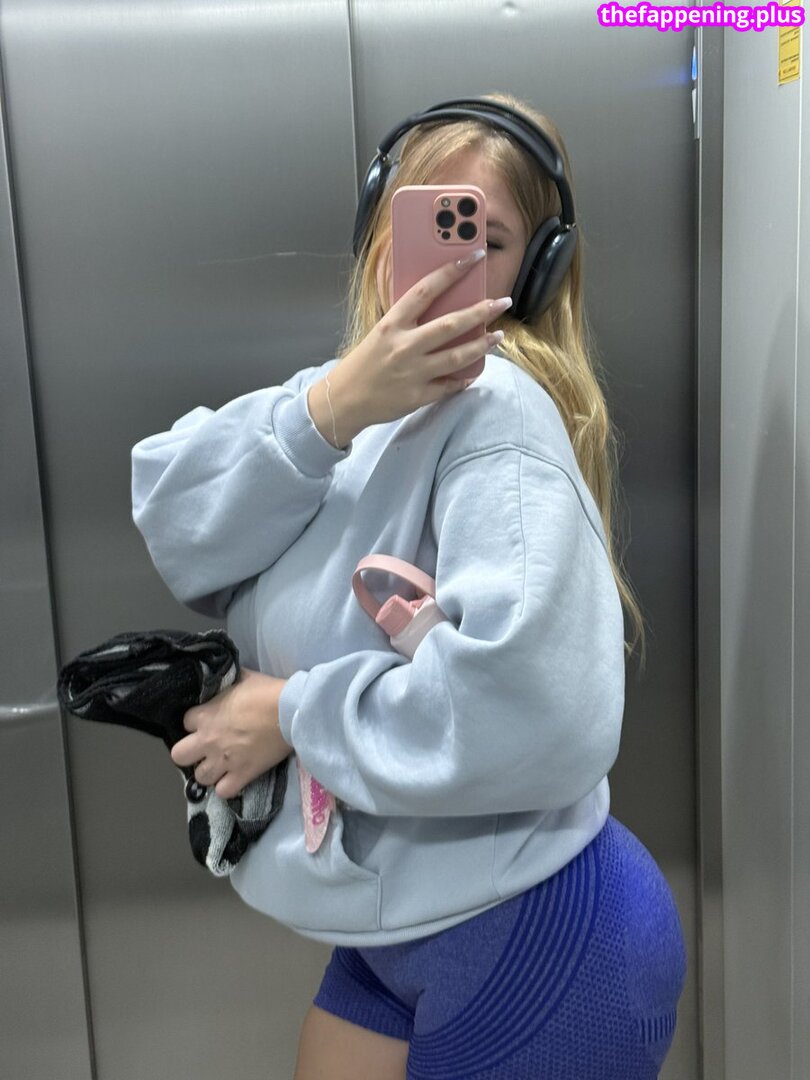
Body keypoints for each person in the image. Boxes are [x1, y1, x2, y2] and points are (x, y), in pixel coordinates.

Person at [131, 93, 686, 1080]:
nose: (446, 259)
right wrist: (332, 407)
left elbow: (537, 710)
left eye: (487, 238)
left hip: (533, 934)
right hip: (402, 919)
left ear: (538, 269)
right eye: (426, 218)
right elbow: (178, 522)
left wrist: (291, 714)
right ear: (376, 230)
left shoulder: (499, 414)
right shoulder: (350, 405)